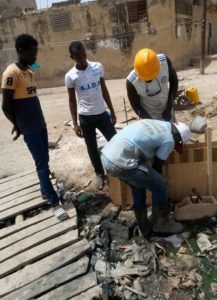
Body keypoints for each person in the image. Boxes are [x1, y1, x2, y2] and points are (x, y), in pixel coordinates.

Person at [1, 34, 69, 221]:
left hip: (40, 124)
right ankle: (55, 204)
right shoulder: (11, 73)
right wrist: (17, 124)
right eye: (33, 53)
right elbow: (6, 105)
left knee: (45, 158)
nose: (35, 57)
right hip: (29, 128)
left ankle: (44, 190)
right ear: (21, 51)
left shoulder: (30, 71)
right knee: (41, 164)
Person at [101, 119, 191, 238]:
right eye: (177, 144)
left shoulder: (158, 123)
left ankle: (144, 227)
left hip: (107, 157)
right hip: (121, 161)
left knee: (138, 186)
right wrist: (163, 197)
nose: (174, 146)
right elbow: (157, 166)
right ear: (178, 138)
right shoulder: (169, 140)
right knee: (161, 185)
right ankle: (161, 225)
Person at [65, 41, 117, 190]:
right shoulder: (70, 76)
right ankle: (100, 174)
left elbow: (104, 90)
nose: (82, 60)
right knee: (92, 148)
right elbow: (71, 101)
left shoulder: (97, 67)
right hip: (86, 118)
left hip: (101, 114)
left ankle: (119, 167)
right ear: (72, 57)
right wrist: (75, 123)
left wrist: (112, 111)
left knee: (115, 141)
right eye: (78, 57)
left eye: (84, 55)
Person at [126, 48, 178, 122]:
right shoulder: (132, 82)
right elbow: (137, 107)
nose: (149, 80)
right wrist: (152, 123)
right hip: (147, 115)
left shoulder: (164, 63)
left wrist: (169, 107)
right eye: (146, 78)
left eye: (151, 76)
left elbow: (174, 82)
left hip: (167, 109)